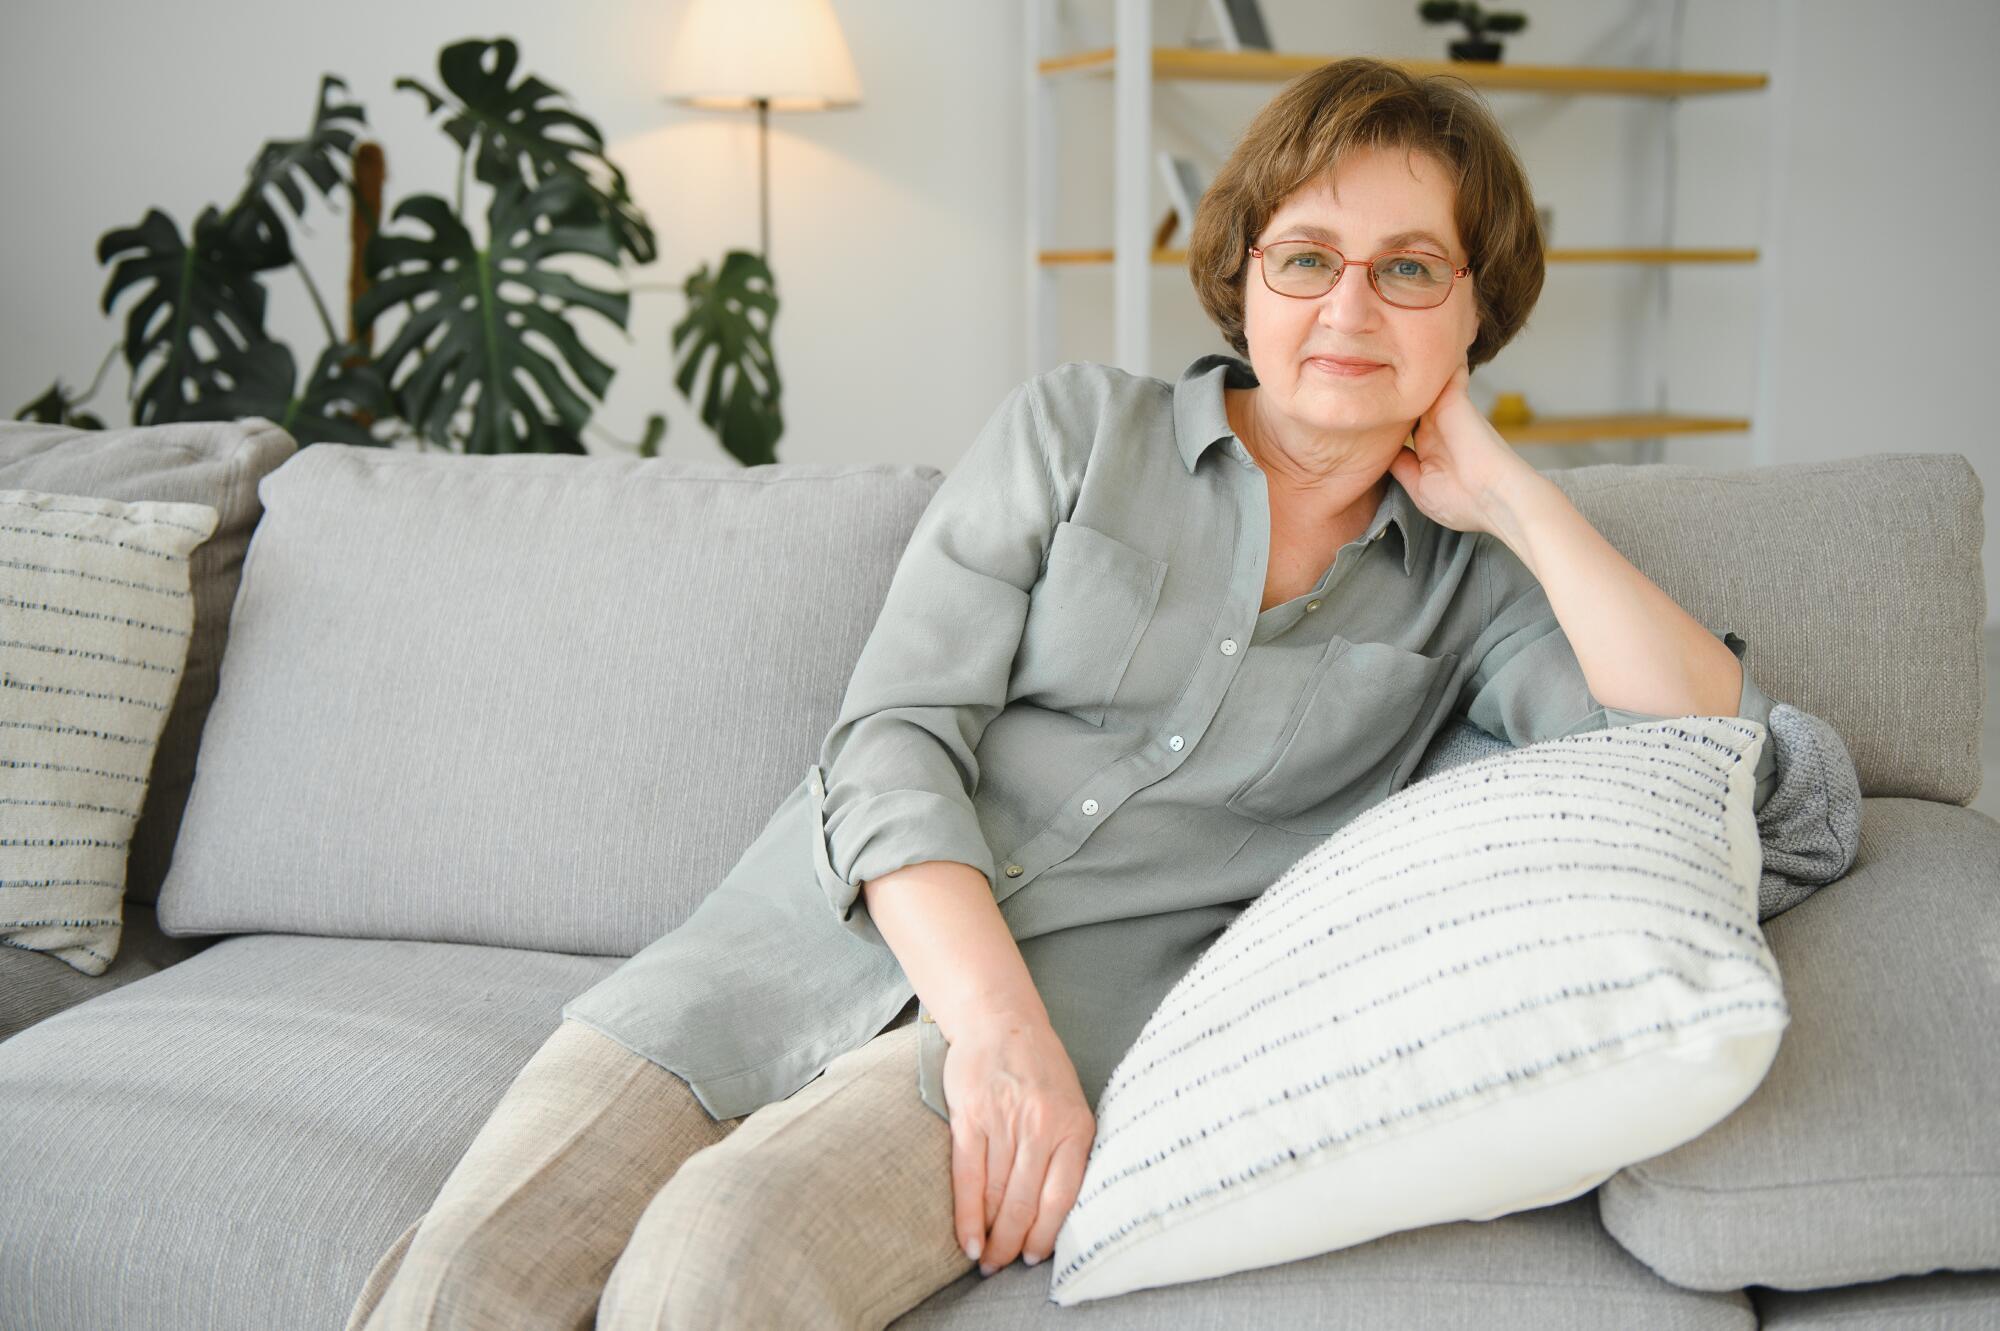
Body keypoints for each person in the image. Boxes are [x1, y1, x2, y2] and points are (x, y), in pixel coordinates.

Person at [346, 56, 1843, 1331]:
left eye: (1411, 270)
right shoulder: (1076, 432)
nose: (1349, 305)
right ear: (1244, 274)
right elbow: (892, 737)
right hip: (787, 955)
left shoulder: (1479, 594)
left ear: (1477, 312)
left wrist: (1514, 493)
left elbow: (1707, 752)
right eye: (1306, 257)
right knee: (462, 1280)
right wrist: (993, 1030)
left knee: (712, 1267)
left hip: (1057, 1047)